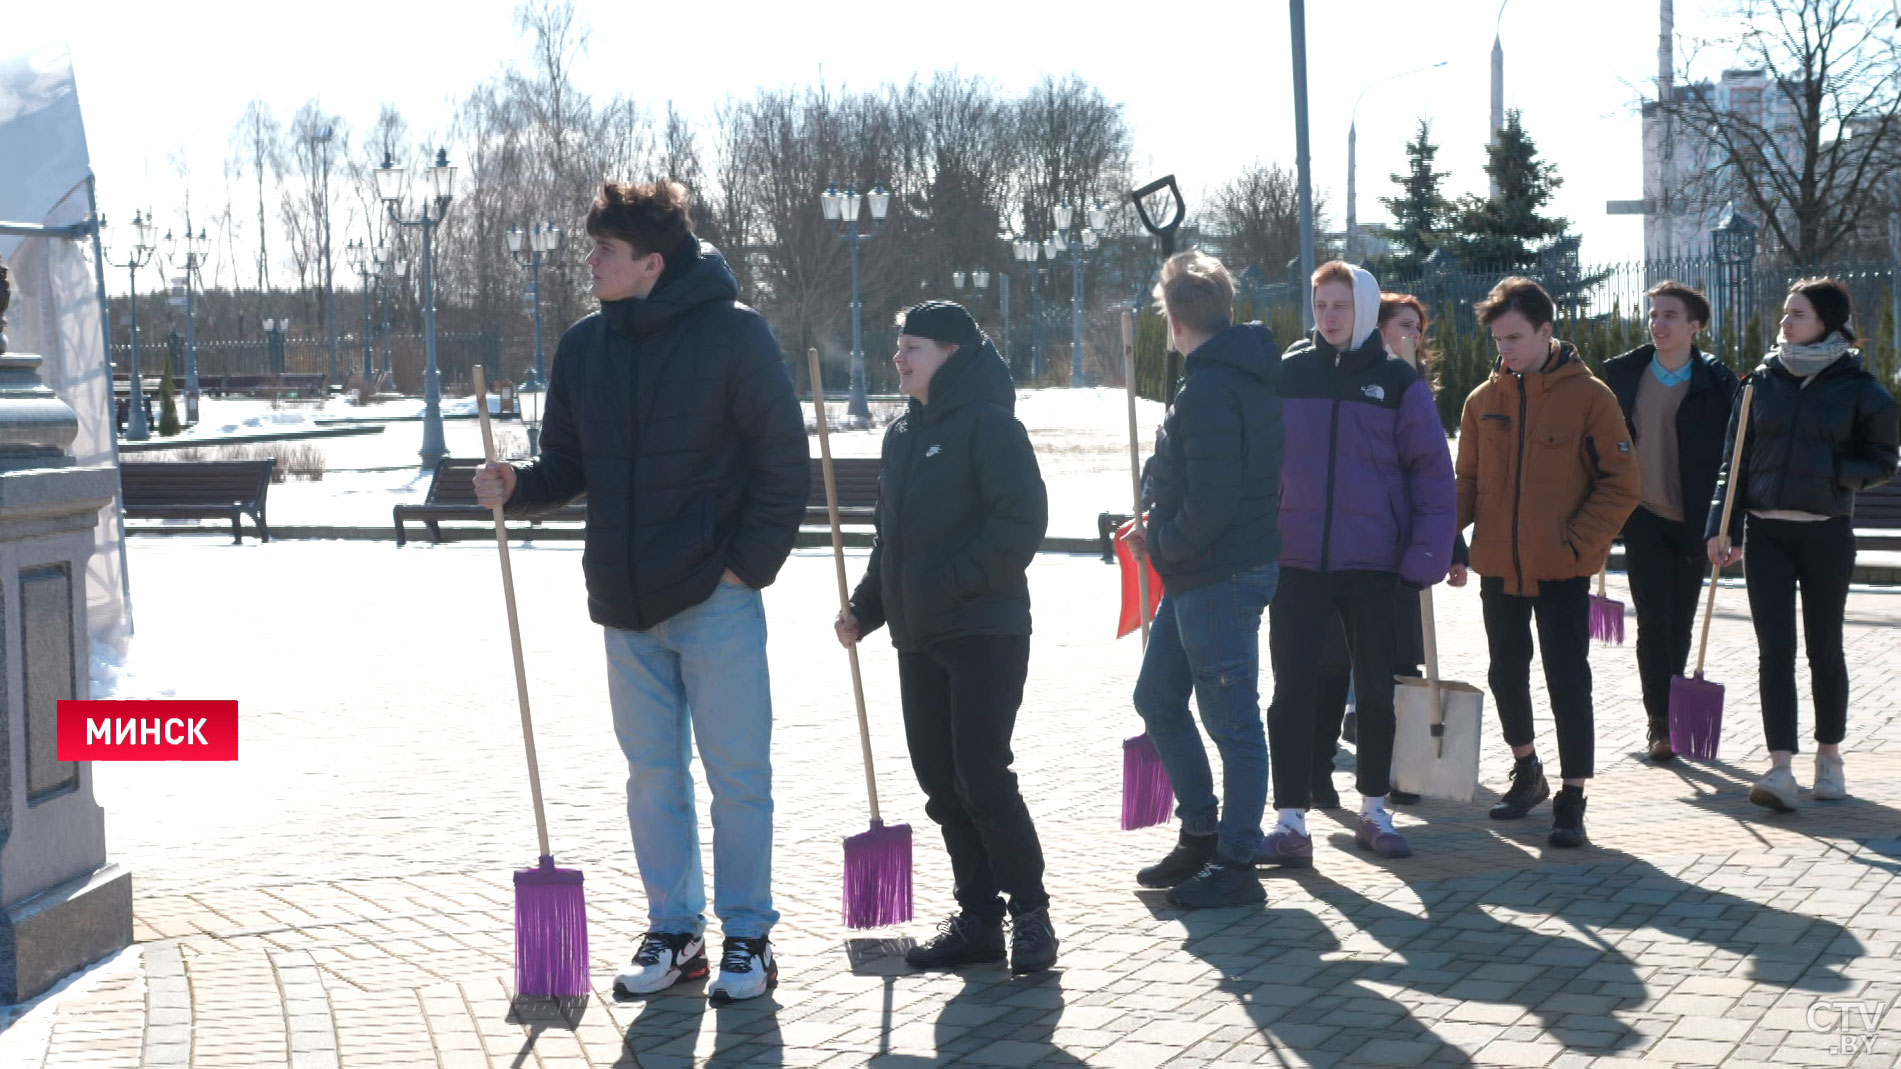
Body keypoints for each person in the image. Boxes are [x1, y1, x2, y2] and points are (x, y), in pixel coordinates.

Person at [472, 181, 809, 1003]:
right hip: (625, 607)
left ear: (651, 262)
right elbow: (568, 465)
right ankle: (676, 931)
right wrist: (515, 484)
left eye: (605, 251)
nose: (589, 261)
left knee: (738, 776)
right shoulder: (584, 346)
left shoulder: (735, 337)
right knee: (652, 777)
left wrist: (743, 569)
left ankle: (749, 939)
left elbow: (783, 465)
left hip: (715, 599)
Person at [836, 301, 1057, 972]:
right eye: (898, 346)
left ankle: (1031, 915)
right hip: (917, 636)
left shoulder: (990, 425)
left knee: (982, 776)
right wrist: (864, 608)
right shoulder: (902, 434)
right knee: (941, 784)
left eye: (914, 348)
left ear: (952, 354)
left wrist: (950, 583)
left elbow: (1021, 522)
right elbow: (890, 541)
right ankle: (978, 920)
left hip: (984, 630)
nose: (899, 358)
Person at [1263, 263, 1456, 866]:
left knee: (1374, 691)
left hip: (1374, 565)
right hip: (1295, 561)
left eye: (1341, 306)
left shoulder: (1399, 382)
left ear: (1365, 308)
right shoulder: (1289, 374)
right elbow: (1260, 461)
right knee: (1290, 690)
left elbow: (1431, 472)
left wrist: (1426, 551)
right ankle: (1290, 820)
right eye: (1320, 306)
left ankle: (1374, 810)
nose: (1329, 317)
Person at [1124, 250, 1284, 908]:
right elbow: (1197, 480)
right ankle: (1200, 832)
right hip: (1200, 573)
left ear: (1174, 317)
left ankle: (1238, 860)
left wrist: (1160, 542)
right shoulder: (1214, 377)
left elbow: (1213, 501)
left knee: (1233, 723)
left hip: (1217, 573)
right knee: (1157, 697)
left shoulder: (1215, 386)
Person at [1455, 276, 1639, 848]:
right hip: (1496, 567)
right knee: (1505, 672)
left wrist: (1576, 543)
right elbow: (1465, 481)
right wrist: (1441, 536)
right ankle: (1527, 769)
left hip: (1562, 570)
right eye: (1498, 340)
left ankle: (1573, 795)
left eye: (1514, 337)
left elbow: (1622, 484)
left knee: (1567, 680)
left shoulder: (1592, 397)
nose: (1504, 350)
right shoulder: (1483, 401)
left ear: (1545, 330)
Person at [1706, 277, 1898, 811]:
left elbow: (1884, 460)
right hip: (1766, 533)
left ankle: (1829, 757)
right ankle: (1780, 767)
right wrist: (1721, 526)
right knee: (1775, 652)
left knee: (1823, 648)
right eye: (1785, 312)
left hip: (1825, 534)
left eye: (1798, 314)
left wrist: (1831, 470)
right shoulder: (1758, 384)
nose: (1785, 322)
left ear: (1828, 324)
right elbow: (1734, 461)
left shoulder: (1861, 388)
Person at [1312, 293, 1469, 808]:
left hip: (1403, 554)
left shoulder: (1415, 387)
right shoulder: (1353, 383)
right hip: (1350, 547)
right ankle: (1317, 770)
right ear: (1375, 329)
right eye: (1403, 325)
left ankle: (1405, 768)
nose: (1413, 336)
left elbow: (1433, 480)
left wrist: (1450, 545)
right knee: (1334, 659)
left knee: (1402, 661)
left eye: (1418, 328)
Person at [1601, 281, 1740, 763]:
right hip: (1643, 517)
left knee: (1680, 622)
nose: (1658, 324)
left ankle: (1675, 713)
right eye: (1655, 315)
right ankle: (1659, 723)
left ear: (1696, 325)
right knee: (1653, 623)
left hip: (1695, 521)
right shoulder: (1623, 375)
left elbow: (1735, 461)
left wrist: (1728, 526)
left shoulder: (1720, 384)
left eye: (1671, 316)